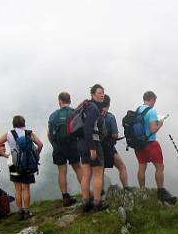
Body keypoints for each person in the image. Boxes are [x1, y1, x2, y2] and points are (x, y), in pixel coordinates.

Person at [0, 115, 43, 220]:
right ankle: (26, 211)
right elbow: (40, 144)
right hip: (28, 163)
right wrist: (35, 156)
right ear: (24, 123)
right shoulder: (29, 133)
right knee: (26, 188)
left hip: (13, 162)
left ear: (13, 123)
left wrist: (5, 155)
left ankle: (19, 212)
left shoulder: (9, 134)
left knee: (17, 189)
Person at [135, 91, 176, 203]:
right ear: (151, 99)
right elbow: (153, 129)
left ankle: (142, 191)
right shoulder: (152, 111)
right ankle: (160, 192)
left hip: (138, 144)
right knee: (159, 167)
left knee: (142, 166)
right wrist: (160, 124)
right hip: (150, 143)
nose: (154, 103)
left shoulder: (138, 110)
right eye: (154, 101)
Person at [48, 91, 83, 206]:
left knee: (62, 171)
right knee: (78, 167)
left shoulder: (53, 115)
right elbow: (79, 130)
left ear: (60, 101)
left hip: (58, 146)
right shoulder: (74, 113)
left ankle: (65, 196)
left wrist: (54, 145)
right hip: (73, 144)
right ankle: (86, 192)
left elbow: (49, 134)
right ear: (70, 100)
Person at [77, 84, 106, 212]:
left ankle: (86, 203)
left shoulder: (86, 106)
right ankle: (97, 203)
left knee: (86, 174)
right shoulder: (93, 108)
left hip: (81, 143)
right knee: (98, 173)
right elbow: (88, 128)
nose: (102, 95)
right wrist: (93, 148)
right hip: (92, 143)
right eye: (99, 92)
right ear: (93, 94)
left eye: (103, 93)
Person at [100, 94, 130, 190]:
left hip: (96, 147)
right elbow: (115, 135)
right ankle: (126, 188)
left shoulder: (93, 115)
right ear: (108, 105)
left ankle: (100, 192)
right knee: (122, 167)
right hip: (108, 147)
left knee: (100, 170)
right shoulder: (110, 117)